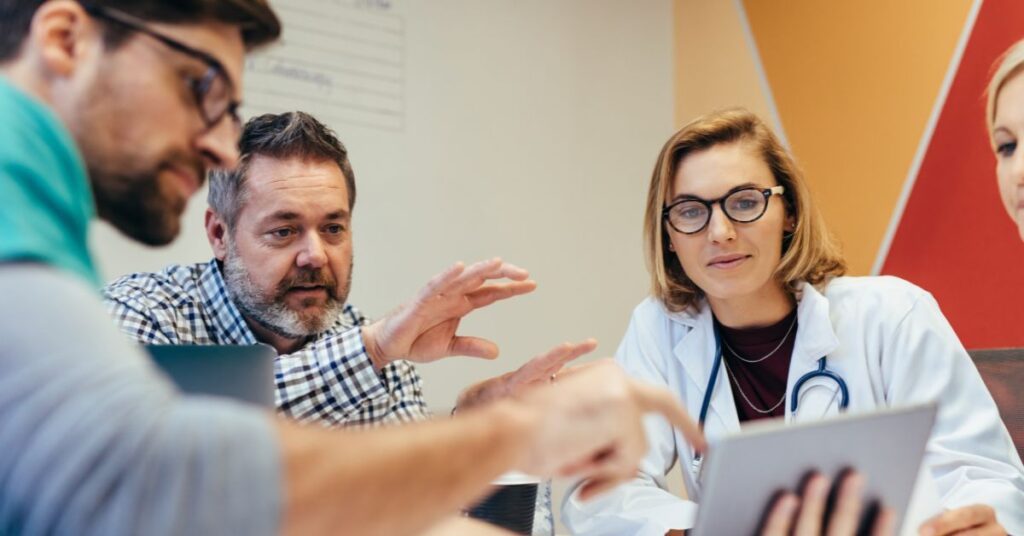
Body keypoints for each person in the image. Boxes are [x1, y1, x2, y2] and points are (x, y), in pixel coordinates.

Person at [0, 1, 706, 534]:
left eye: (333, 227)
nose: (217, 144)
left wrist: (468, 426)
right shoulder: (97, 279)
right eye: (199, 87)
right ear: (64, 39)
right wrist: (517, 433)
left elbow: (394, 506)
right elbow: (158, 474)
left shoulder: (43, 218)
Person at [562, 108, 1024, 535]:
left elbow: (983, 476)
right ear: (670, 237)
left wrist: (980, 522)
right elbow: (601, 489)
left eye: (744, 203)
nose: (720, 232)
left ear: (789, 214)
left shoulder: (893, 314)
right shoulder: (659, 329)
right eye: (690, 212)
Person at [102, 110, 589, 428]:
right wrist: (371, 349)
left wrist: (472, 421)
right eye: (284, 231)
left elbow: (407, 497)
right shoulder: (143, 314)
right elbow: (160, 451)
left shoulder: (366, 338)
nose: (315, 255)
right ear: (218, 235)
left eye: (333, 229)